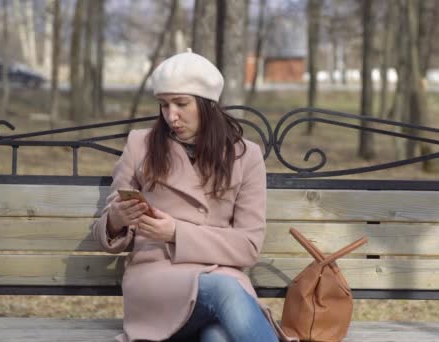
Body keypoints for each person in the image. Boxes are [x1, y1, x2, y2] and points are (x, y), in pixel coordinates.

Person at [92, 50, 296, 342]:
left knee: (217, 337)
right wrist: (115, 220)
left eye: (181, 104)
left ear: (207, 104)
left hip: (221, 277)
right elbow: (105, 235)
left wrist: (176, 232)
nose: (170, 116)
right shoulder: (141, 145)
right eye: (164, 105)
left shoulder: (245, 155)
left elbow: (249, 246)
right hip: (157, 280)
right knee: (225, 291)